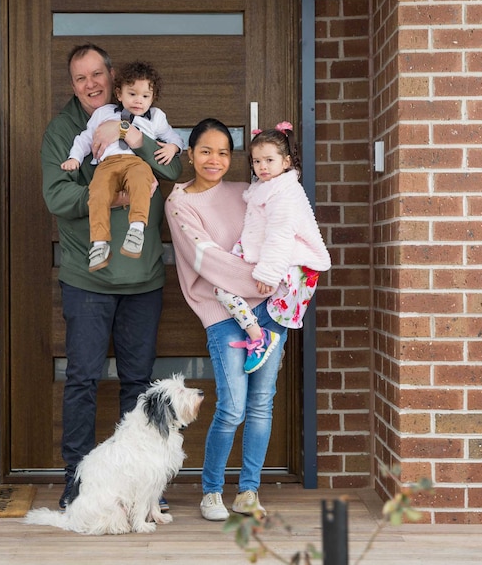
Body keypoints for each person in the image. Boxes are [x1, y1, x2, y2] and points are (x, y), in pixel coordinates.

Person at [41, 44, 183, 510]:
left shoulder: (143, 116)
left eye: (97, 73)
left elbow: (174, 166)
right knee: (82, 378)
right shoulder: (64, 130)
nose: (90, 83)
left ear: (112, 75)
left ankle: (138, 486)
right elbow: (58, 197)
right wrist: (114, 200)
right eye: (80, 77)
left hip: (143, 279)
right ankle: (78, 482)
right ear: (73, 84)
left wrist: (121, 129)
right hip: (88, 277)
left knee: (138, 382)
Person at [165, 117, 288, 521]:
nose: (214, 159)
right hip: (223, 313)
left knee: (261, 405)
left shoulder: (250, 192)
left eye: (222, 152)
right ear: (190, 154)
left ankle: (248, 491)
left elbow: (284, 233)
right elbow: (207, 260)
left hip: (270, 312)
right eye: (205, 151)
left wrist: (283, 278)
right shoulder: (179, 202)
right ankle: (212, 491)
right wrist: (263, 278)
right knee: (233, 406)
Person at [215, 121, 331, 374]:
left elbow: (281, 235)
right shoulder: (265, 189)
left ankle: (263, 341)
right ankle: (263, 339)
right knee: (223, 285)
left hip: (291, 262)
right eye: (257, 162)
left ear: (286, 162)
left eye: (269, 160)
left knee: (236, 293)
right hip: (273, 256)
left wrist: (268, 273)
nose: (262, 167)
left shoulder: (285, 193)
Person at [61, 61, 184, 272]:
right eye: (132, 94)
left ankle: (136, 229)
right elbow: (85, 138)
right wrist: (75, 157)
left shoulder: (156, 117)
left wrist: (173, 147)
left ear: (152, 97)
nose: (139, 101)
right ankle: (99, 244)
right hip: (107, 164)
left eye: (145, 96)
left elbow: (174, 137)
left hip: (136, 162)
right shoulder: (103, 113)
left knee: (140, 184)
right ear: (119, 94)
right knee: (97, 194)